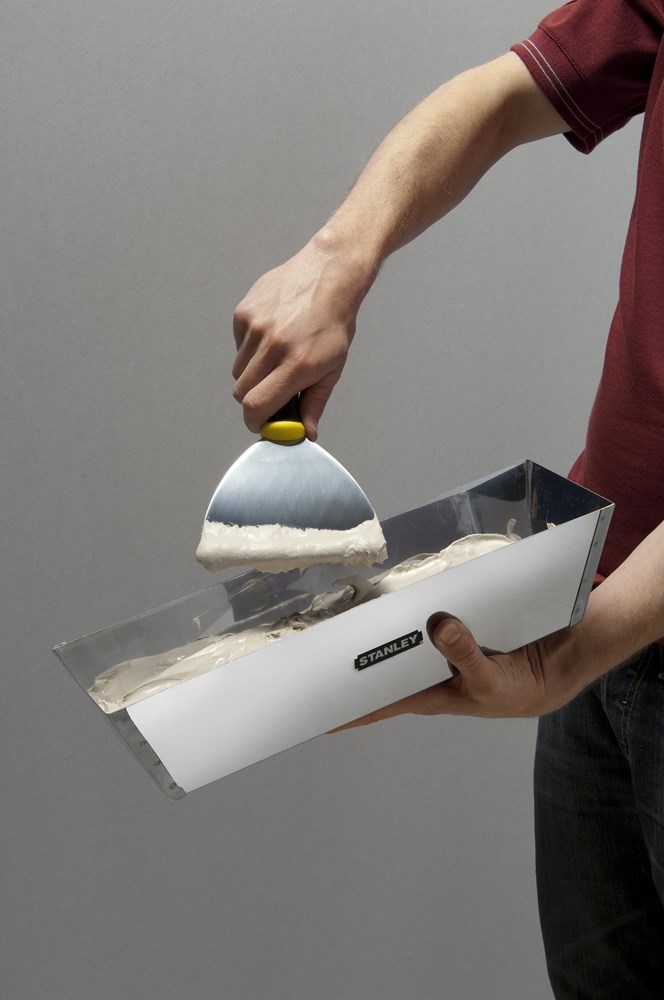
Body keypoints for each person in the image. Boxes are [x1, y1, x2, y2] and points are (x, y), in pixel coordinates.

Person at [231, 2, 664, 997]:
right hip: (599, 600)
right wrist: (339, 257)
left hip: (597, 631)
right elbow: (512, 94)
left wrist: (576, 652)